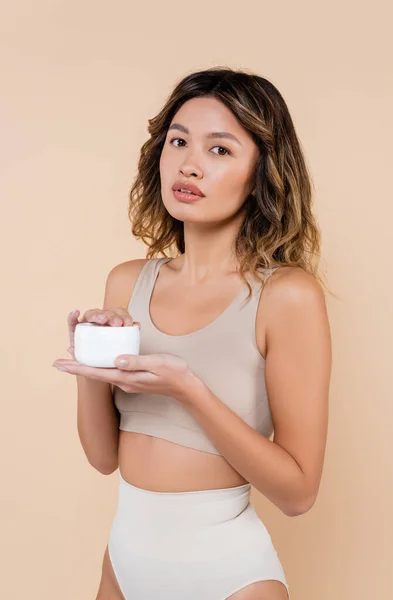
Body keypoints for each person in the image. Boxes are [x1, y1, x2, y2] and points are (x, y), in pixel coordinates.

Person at [53, 67, 332, 600]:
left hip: (228, 575)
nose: (189, 163)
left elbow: (298, 494)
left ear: (263, 172)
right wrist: (90, 366)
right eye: (178, 140)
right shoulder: (128, 281)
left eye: (220, 150)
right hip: (124, 565)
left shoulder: (286, 296)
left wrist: (189, 389)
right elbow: (103, 457)